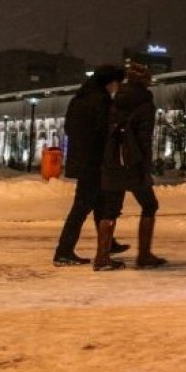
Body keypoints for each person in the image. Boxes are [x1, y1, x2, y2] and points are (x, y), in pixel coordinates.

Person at [52, 65, 130, 266]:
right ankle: (64, 251)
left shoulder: (80, 99)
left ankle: (108, 243)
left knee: (99, 204)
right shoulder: (100, 101)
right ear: (109, 82)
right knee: (82, 208)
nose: (117, 87)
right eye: (117, 83)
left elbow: (70, 129)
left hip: (84, 160)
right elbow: (104, 131)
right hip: (95, 162)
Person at [94, 63, 167, 271]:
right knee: (150, 204)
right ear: (145, 80)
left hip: (112, 159)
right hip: (133, 163)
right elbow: (144, 138)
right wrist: (146, 165)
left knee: (110, 209)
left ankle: (102, 257)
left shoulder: (116, 99)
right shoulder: (145, 103)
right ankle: (144, 254)